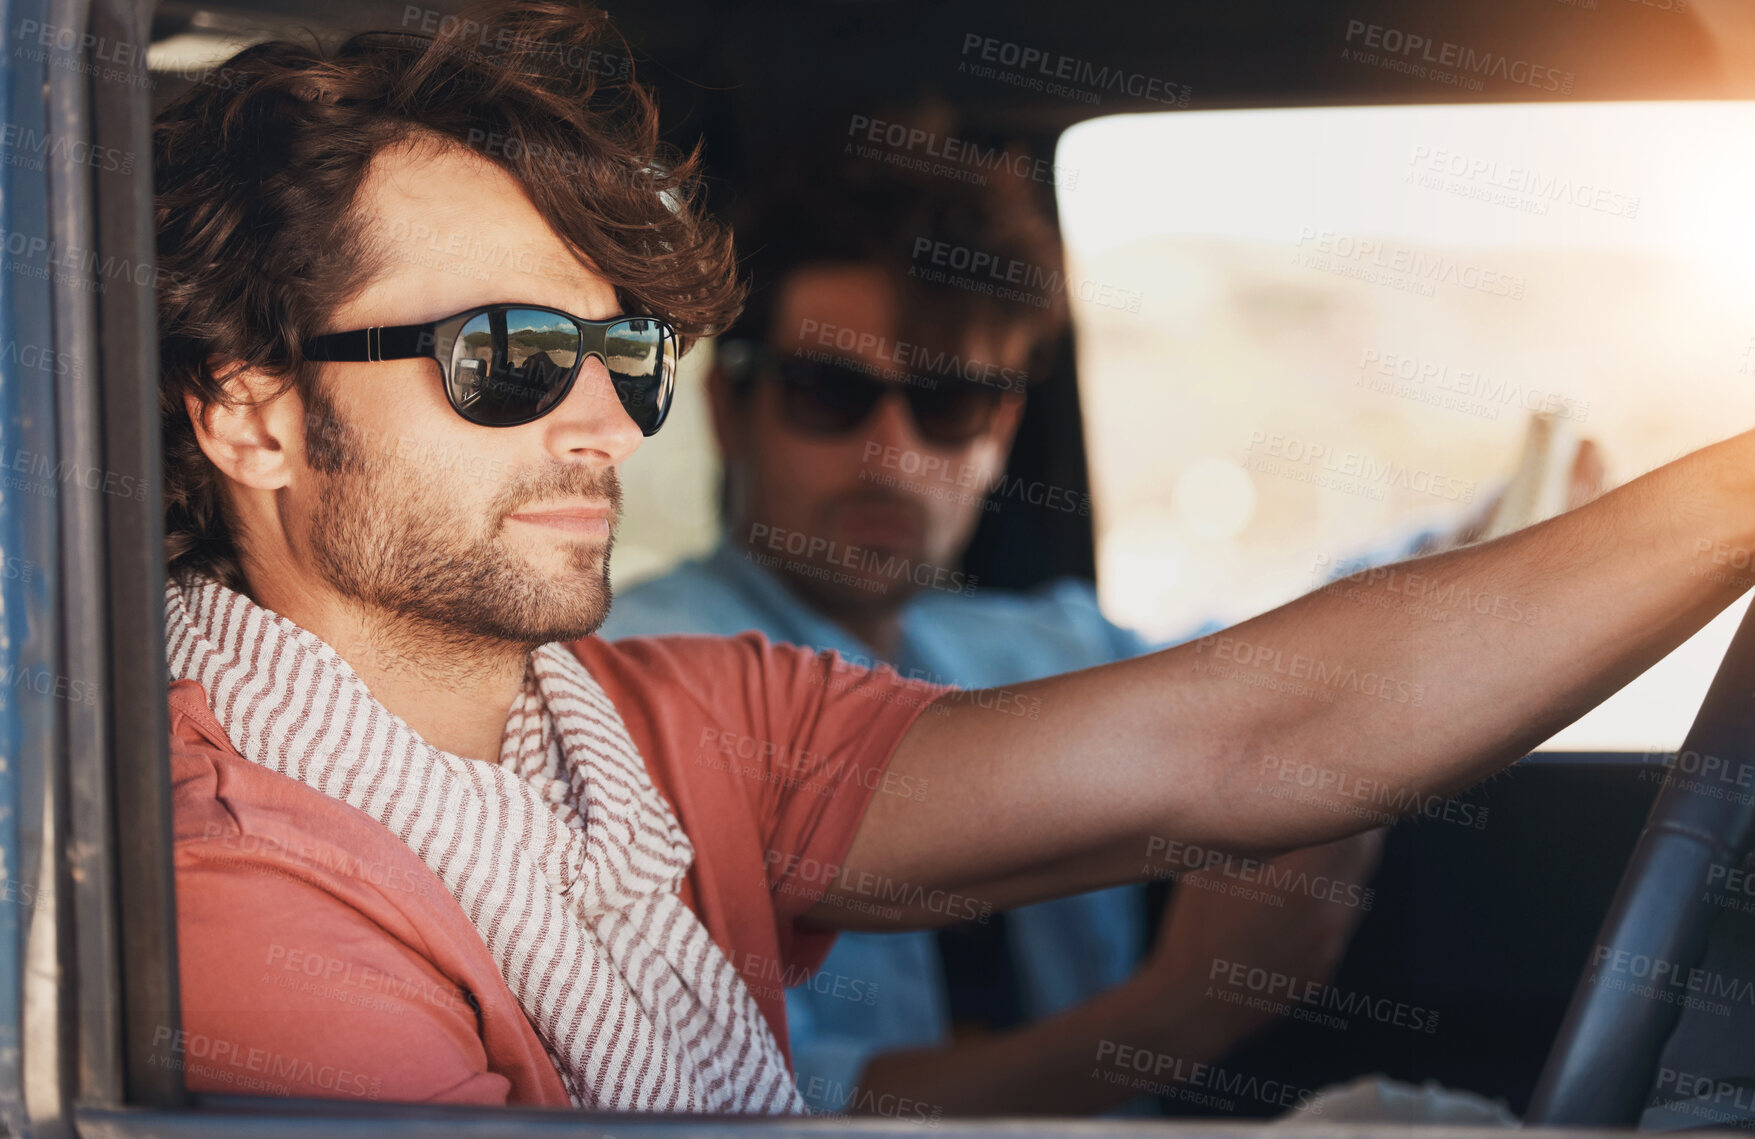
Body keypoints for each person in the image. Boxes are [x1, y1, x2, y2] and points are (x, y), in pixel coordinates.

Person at [155, 0, 1755, 1116]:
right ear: (256, 414)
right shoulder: (222, 889)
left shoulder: (656, 730)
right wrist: (1174, 1013)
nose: (608, 430)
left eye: (620, 356)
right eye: (507, 354)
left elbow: (1260, 727)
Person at [599, 148, 1379, 1116]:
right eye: (830, 394)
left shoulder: (1039, 649)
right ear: (729, 408)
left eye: (947, 402)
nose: (891, 455)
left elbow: (1288, 672)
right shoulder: (639, 685)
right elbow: (758, 1109)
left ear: (1002, 431)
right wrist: (1175, 1013)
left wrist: (1489, 541)